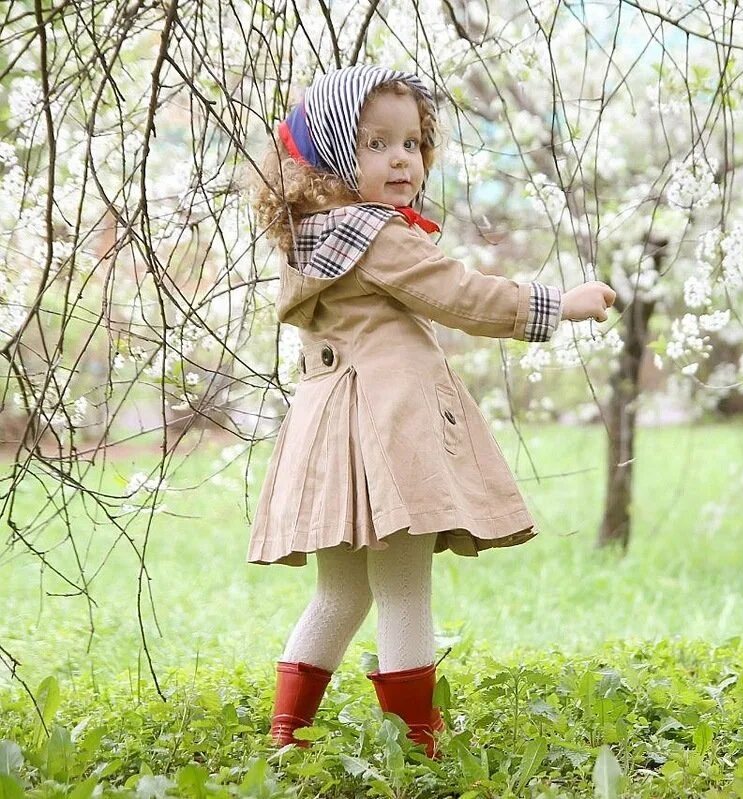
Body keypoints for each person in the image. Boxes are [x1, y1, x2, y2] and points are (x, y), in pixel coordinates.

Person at [243, 64, 616, 758]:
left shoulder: (316, 238)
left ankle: (287, 736)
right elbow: (461, 295)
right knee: (405, 589)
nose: (400, 160)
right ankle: (420, 743)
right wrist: (558, 304)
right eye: (376, 143)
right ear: (328, 154)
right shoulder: (376, 235)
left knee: (341, 594)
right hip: (388, 437)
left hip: (332, 443)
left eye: (411, 144)